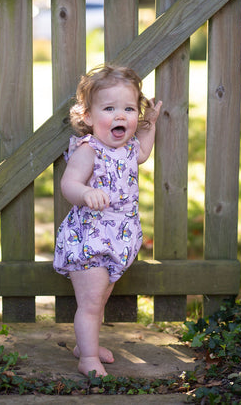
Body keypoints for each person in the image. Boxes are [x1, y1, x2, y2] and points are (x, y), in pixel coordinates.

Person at [53, 64, 162, 377]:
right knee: (89, 303)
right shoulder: (89, 150)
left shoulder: (127, 147)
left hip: (121, 236)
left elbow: (141, 154)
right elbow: (68, 185)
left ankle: (86, 344)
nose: (120, 116)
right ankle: (88, 358)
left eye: (128, 109)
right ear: (88, 116)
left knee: (99, 300)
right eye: (109, 108)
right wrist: (86, 193)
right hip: (91, 238)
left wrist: (149, 125)